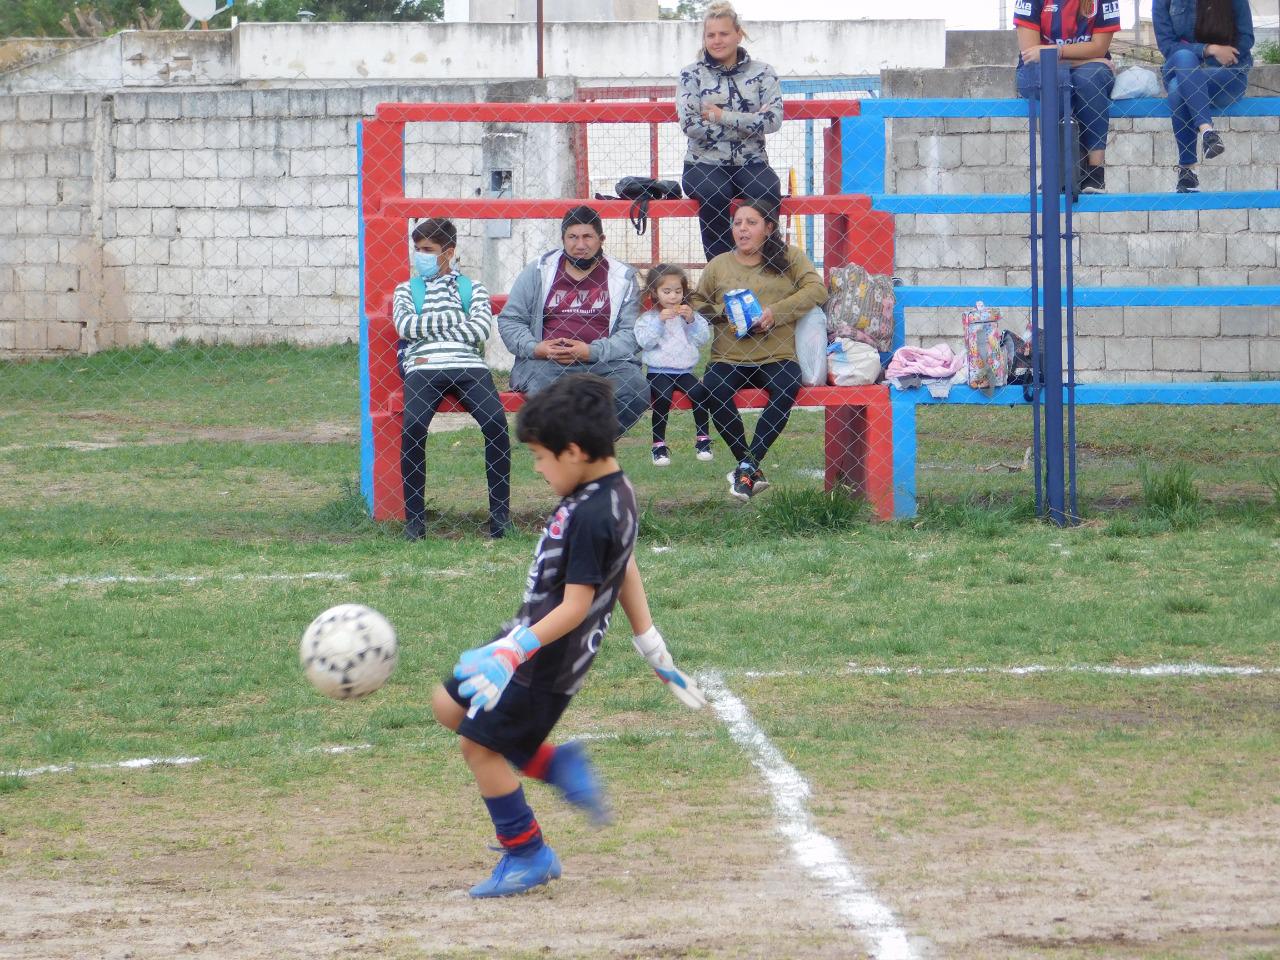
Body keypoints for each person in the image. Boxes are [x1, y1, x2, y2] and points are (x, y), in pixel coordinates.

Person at [430, 374, 704, 899]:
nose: (537, 468)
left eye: (540, 456)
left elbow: (577, 606)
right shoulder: (606, 490)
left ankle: (527, 852)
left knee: (478, 747)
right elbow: (624, 566)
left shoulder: (596, 513)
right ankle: (555, 764)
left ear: (574, 451)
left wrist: (513, 653)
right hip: (525, 638)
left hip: (545, 661)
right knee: (448, 705)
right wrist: (650, 641)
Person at [688, 201, 827, 502]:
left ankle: (746, 467)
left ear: (768, 227)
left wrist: (776, 312)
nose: (742, 229)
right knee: (713, 388)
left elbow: (817, 289)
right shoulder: (719, 264)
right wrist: (725, 313)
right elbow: (696, 302)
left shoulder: (790, 257)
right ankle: (749, 465)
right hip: (729, 356)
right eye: (737, 223)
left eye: (751, 223)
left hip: (777, 355)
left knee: (787, 385)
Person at [393, 218, 510, 541]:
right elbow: (405, 327)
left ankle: (500, 517)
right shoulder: (407, 290)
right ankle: (415, 521)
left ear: (449, 252)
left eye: (428, 250)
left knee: (495, 424)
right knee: (413, 427)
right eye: (417, 249)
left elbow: (480, 329)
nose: (420, 256)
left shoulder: (473, 289)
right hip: (423, 366)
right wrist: (457, 319)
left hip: (468, 366)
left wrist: (429, 323)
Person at [497, 206, 649, 434]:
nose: (580, 245)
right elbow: (511, 319)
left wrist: (591, 351)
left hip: (604, 363)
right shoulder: (539, 270)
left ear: (601, 239)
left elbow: (631, 333)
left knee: (635, 389)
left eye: (587, 237)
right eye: (573, 237)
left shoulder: (622, 276)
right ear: (563, 239)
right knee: (548, 394)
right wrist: (536, 348)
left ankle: (581, 448)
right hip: (547, 363)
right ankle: (583, 449)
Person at [677, 1, 784, 261]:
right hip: (703, 163)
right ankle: (722, 271)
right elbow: (690, 125)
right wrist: (750, 122)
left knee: (766, 191)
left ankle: (765, 266)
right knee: (715, 194)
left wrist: (721, 116)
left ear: (738, 34)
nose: (717, 41)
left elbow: (772, 121)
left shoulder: (763, 72)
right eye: (710, 35)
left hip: (752, 162)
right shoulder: (691, 75)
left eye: (724, 33)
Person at [1014, 0, 1121, 195]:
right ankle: (1055, 170)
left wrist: (1056, 52)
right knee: (1054, 78)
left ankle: (1095, 173)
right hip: (1037, 71)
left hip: (1088, 68)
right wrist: (1089, 59)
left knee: (1091, 78)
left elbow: (1099, 47)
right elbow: (1032, 55)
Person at [1153, 0, 1254, 194]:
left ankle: (1187, 171)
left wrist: (1210, 60)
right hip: (1180, 66)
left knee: (1177, 87)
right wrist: (1210, 49)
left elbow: (1246, 38)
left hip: (1225, 74)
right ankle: (1208, 131)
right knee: (1184, 58)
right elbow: (1168, 47)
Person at [634, 264, 713, 466]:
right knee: (663, 397)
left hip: (684, 371)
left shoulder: (688, 316)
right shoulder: (648, 318)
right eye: (667, 291)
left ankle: (703, 439)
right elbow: (645, 342)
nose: (673, 297)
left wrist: (692, 321)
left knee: (699, 393)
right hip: (658, 371)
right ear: (655, 292)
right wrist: (659, 322)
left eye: (678, 291)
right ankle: (658, 445)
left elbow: (702, 339)